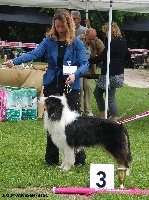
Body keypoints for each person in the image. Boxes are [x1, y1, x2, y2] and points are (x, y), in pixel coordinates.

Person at [4, 9, 89, 167]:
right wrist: (15, 61)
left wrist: (75, 74)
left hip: (71, 86)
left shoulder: (76, 42)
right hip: (52, 86)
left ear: (69, 25)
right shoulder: (49, 40)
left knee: (74, 124)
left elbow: (85, 63)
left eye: (62, 27)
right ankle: (51, 159)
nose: (59, 30)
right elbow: (34, 54)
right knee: (52, 123)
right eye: (57, 26)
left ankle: (79, 159)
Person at [88, 22, 131, 121]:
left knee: (99, 93)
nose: (106, 35)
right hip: (119, 74)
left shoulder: (112, 43)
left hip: (109, 74)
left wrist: (89, 60)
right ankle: (107, 115)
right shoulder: (123, 42)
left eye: (106, 32)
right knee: (110, 96)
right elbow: (128, 58)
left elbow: (102, 57)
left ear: (110, 32)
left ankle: (111, 116)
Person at [78, 28, 104, 116]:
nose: (91, 41)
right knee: (80, 87)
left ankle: (88, 110)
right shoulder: (79, 39)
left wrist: (96, 41)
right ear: (85, 35)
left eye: (93, 39)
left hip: (89, 69)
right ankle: (80, 110)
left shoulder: (95, 41)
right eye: (90, 39)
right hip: (78, 68)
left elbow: (104, 50)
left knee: (88, 87)